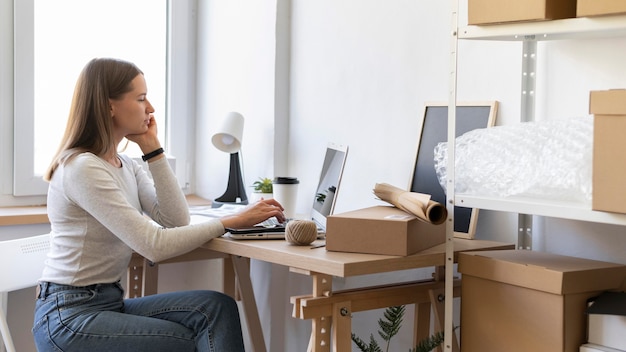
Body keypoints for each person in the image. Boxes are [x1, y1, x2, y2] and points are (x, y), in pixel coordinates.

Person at [32, 57, 285, 352]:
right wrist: (230, 222)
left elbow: (175, 220)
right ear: (109, 106)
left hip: (107, 301)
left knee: (217, 308)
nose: (150, 108)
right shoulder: (82, 168)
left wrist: (153, 150)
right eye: (140, 98)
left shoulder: (124, 164)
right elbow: (153, 244)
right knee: (188, 342)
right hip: (68, 316)